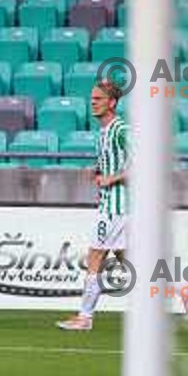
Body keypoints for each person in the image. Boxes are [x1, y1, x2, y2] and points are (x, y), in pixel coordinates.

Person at [57, 80, 129, 331]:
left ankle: (84, 317)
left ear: (112, 103)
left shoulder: (120, 129)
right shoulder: (103, 132)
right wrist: (98, 171)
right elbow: (111, 162)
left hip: (118, 207)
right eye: (92, 99)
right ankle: (184, 292)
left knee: (95, 255)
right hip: (112, 205)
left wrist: (112, 178)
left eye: (98, 99)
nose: (93, 103)